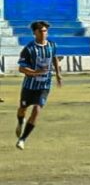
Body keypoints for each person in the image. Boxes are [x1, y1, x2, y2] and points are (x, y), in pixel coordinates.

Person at [15, 20, 62, 150]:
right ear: (35, 32)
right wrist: (35, 72)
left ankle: (22, 139)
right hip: (29, 86)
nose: (44, 33)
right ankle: (20, 122)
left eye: (45, 31)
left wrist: (58, 74)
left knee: (36, 110)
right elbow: (21, 68)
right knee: (22, 109)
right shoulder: (29, 49)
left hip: (44, 85)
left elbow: (54, 58)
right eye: (41, 31)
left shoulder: (52, 45)